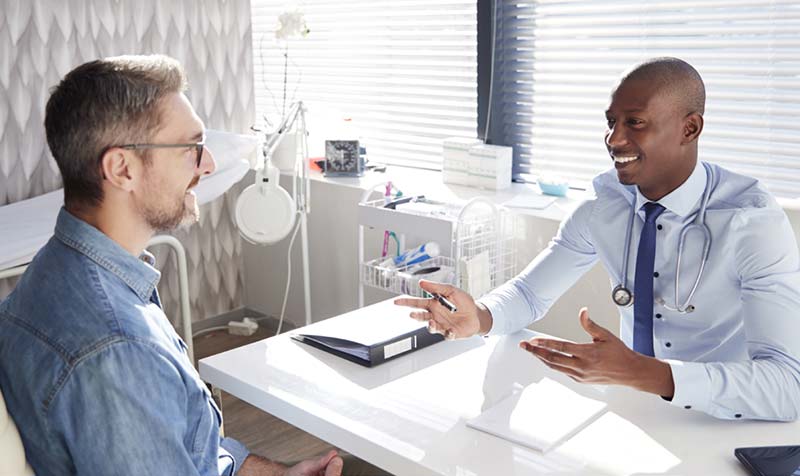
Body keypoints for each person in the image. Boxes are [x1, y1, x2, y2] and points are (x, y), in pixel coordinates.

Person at [397, 57, 800, 422]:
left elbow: (786, 388)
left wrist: (647, 373)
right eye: (611, 122)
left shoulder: (751, 222)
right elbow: (530, 294)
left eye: (635, 123)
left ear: (689, 128)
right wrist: (480, 316)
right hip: (634, 408)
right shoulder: (605, 204)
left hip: (728, 422)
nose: (613, 140)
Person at [0, 55, 343, 476]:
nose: (209, 164)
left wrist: (277, 473)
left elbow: (193, 451)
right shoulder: (117, 350)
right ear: (122, 168)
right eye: (191, 148)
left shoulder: (64, 271)